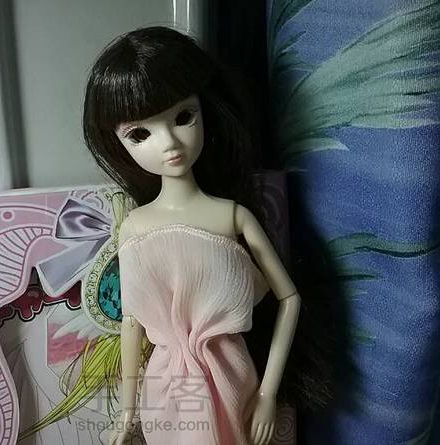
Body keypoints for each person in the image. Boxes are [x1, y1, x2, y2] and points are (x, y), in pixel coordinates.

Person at [83, 26, 301, 445]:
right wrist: (127, 412)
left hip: (232, 373)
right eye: (140, 134)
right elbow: (132, 322)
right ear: (117, 143)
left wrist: (268, 393)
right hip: (166, 385)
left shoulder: (232, 216)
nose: (169, 142)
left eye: (183, 117)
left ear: (206, 110)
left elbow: (289, 299)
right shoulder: (134, 227)